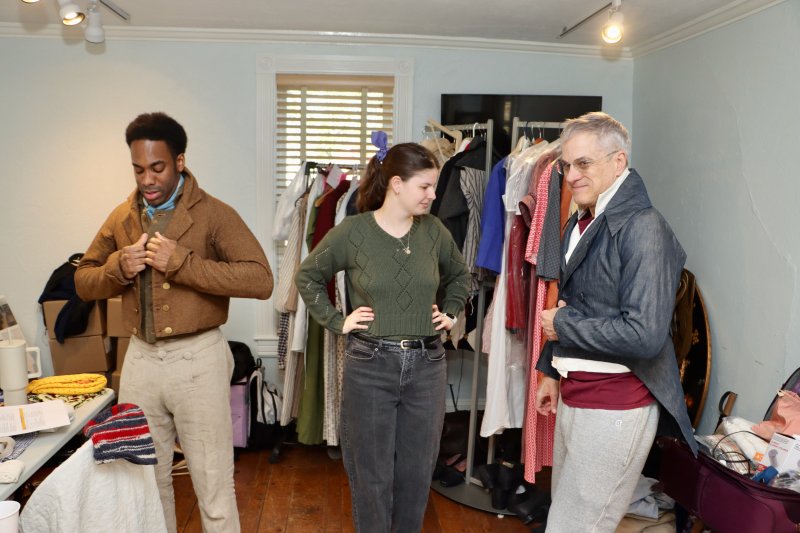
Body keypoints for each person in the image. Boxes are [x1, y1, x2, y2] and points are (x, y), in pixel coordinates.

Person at [74, 112, 273, 533]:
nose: (147, 179)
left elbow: (261, 279)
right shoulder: (121, 217)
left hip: (197, 357)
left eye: (158, 167)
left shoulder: (215, 214)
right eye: (138, 168)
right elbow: (83, 282)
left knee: (213, 484)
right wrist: (116, 268)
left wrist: (183, 263)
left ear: (180, 161)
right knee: (146, 480)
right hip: (140, 360)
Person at [294, 133, 470, 533]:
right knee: (371, 476)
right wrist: (339, 321)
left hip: (427, 365)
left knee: (416, 473)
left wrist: (453, 311)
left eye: (434, 187)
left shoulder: (434, 231)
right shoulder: (353, 232)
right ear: (396, 184)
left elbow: (460, 276)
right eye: (424, 186)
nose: (431, 195)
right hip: (370, 365)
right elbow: (308, 275)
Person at [534, 112, 696, 532]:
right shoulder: (581, 220)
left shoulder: (644, 227)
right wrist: (551, 369)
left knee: (576, 527)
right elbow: (577, 302)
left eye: (583, 164)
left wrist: (563, 328)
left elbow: (644, 336)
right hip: (578, 395)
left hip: (616, 407)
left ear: (618, 161)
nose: (571, 175)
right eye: (566, 165)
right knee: (566, 518)